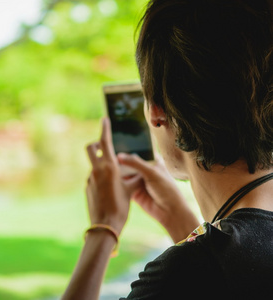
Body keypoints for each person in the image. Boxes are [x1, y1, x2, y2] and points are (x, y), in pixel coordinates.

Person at [61, 0, 273, 299]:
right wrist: (178, 217)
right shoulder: (215, 264)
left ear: (157, 112)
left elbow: (212, 273)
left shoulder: (188, 272)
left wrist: (102, 229)